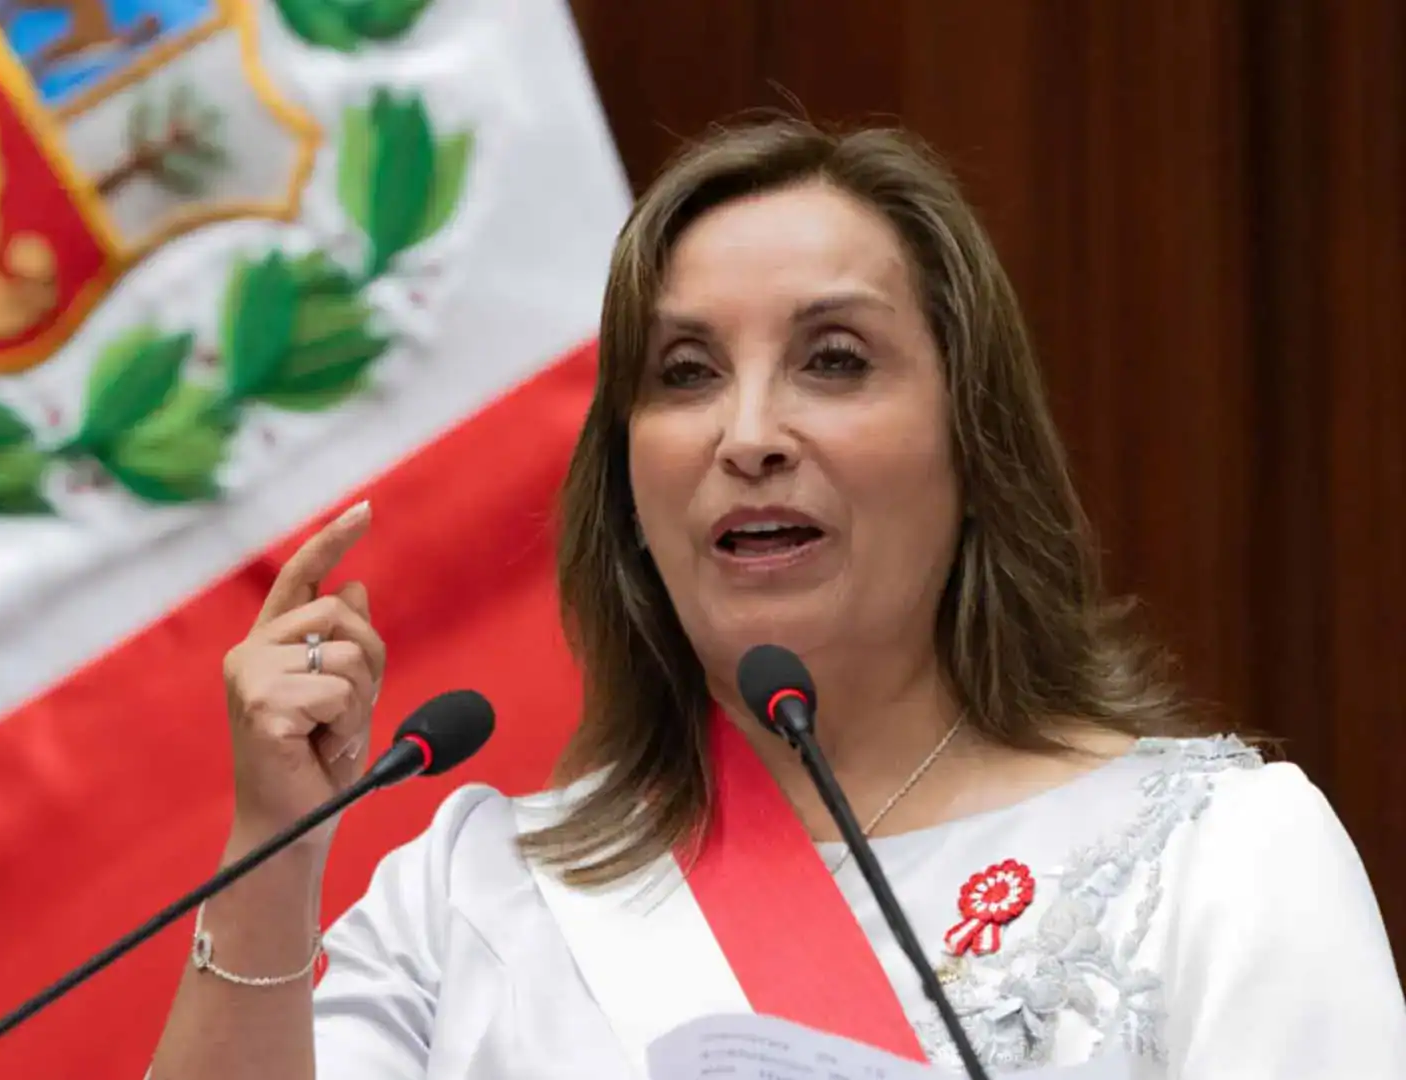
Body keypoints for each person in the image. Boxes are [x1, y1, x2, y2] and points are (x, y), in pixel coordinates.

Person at [146, 117, 1406, 1078]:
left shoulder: (1221, 859)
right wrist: (275, 852)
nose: (747, 434)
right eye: (684, 373)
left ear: (974, 443)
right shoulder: (475, 891)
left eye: (835, 360)